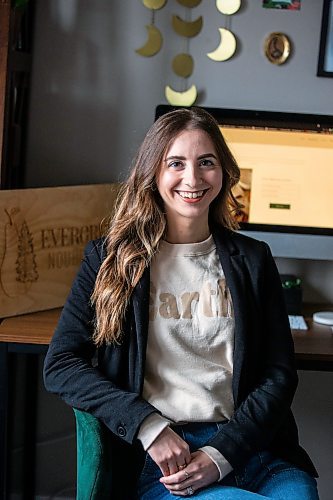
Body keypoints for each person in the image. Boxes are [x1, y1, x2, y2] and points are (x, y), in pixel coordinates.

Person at [44, 107, 319, 499]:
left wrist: (223, 452)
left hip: (251, 450)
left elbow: (279, 375)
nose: (193, 178)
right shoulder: (110, 259)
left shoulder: (253, 259)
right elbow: (61, 365)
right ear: (153, 173)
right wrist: (148, 426)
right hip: (165, 459)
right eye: (176, 163)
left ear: (223, 172)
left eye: (206, 162)